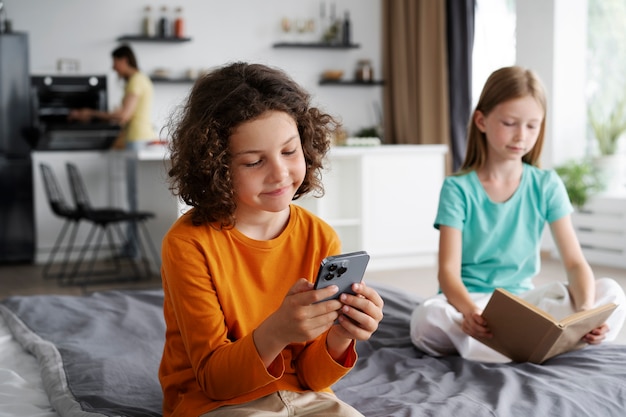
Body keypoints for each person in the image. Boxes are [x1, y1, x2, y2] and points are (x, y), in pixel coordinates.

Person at [158, 62, 384, 417]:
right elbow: (214, 381)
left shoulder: (320, 237)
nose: (279, 173)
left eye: (289, 151)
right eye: (253, 162)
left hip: (306, 399)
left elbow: (311, 377)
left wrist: (343, 334)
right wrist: (277, 331)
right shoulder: (188, 244)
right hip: (216, 403)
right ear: (216, 167)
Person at [409, 66, 626, 363]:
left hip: (526, 305)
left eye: (532, 126)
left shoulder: (547, 184)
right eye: (510, 123)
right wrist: (469, 312)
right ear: (482, 121)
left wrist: (585, 313)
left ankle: (513, 347)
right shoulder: (457, 188)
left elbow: (575, 263)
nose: (521, 136)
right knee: (427, 319)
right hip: (474, 306)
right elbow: (447, 272)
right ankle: (529, 348)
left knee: (611, 291)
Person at [68, 44, 156, 149]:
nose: (113, 67)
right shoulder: (140, 79)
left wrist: (90, 113)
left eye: (115, 62)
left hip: (138, 137)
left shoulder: (136, 80)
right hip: (139, 137)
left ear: (124, 60)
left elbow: (123, 116)